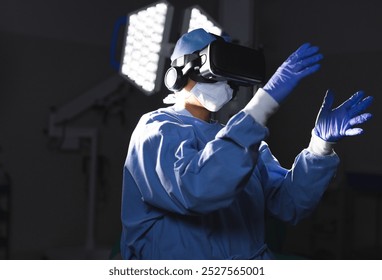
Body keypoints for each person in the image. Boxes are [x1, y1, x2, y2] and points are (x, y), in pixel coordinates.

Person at [120, 28, 373, 259]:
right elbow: (198, 188)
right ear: (178, 75)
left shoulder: (244, 143)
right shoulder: (156, 130)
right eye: (218, 70)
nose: (227, 83)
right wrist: (262, 105)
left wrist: (320, 146)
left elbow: (289, 203)